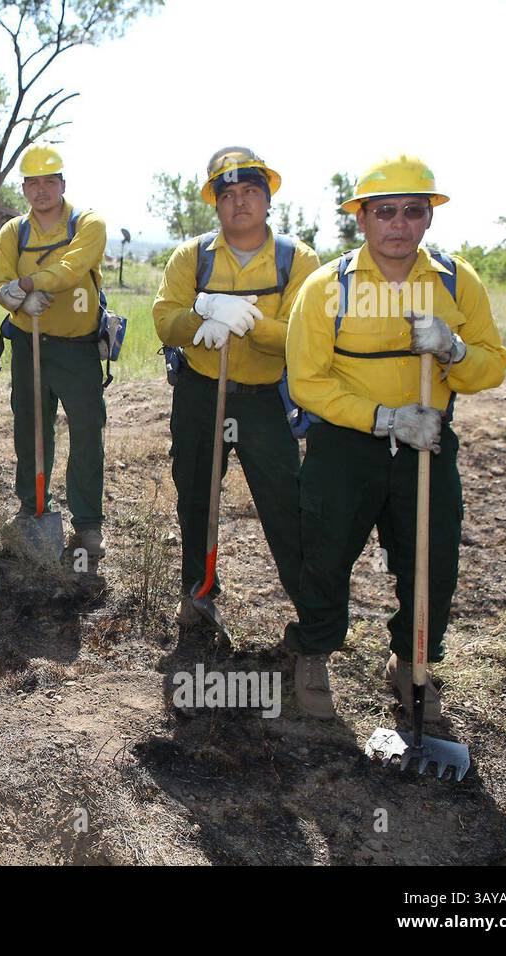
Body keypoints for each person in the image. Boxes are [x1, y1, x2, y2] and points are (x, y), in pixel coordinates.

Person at [283, 155, 506, 719]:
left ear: (429, 218)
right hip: (344, 446)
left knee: (430, 559)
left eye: (413, 210)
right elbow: (307, 383)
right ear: (362, 219)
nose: (399, 224)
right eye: (385, 212)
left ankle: (412, 663)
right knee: (326, 554)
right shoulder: (325, 288)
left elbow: (492, 365)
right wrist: (384, 418)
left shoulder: (456, 282)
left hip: (428, 444)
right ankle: (313, 653)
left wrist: (454, 350)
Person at [151, 147, 318, 632]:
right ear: (215, 203)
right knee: (197, 495)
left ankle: (311, 618)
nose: (239, 202)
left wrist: (249, 324)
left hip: (267, 400)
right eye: (228, 194)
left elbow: (305, 336)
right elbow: (164, 322)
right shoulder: (192, 256)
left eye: (250, 191)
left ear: (268, 199)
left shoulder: (297, 260)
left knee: (286, 502)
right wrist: (202, 312)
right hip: (202, 394)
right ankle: (199, 594)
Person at [0, 145, 109, 565]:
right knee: (31, 428)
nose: (41, 190)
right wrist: (18, 303)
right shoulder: (13, 232)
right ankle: (33, 506)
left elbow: (73, 270)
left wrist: (26, 283)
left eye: (49, 181)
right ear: (23, 187)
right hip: (28, 346)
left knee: (86, 432)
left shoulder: (87, 224)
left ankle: (88, 522)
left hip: (77, 349)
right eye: (33, 182)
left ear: (63, 183)